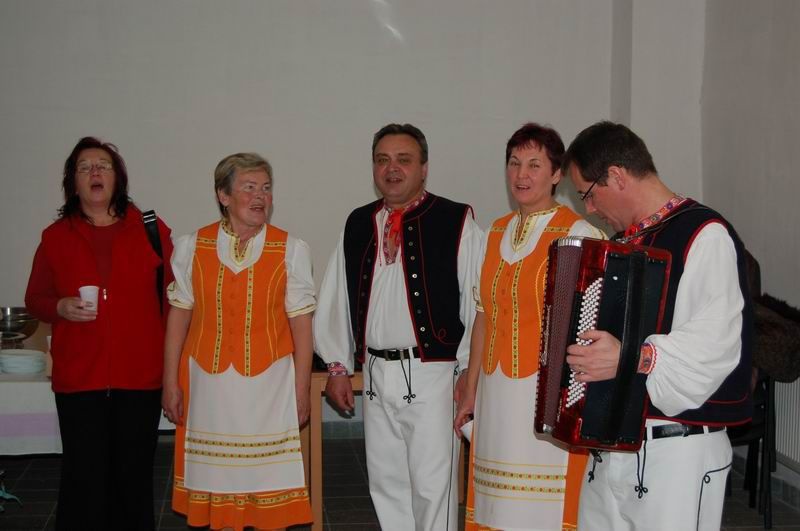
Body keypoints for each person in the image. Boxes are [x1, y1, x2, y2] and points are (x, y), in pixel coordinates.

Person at [562, 121, 753, 531]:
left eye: (587, 194)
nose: (589, 208)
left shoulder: (704, 234)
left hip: (677, 451)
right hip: (613, 447)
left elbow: (715, 343)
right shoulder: (624, 241)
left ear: (617, 176)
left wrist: (632, 357)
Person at [314, 123, 483, 531]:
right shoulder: (358, 223)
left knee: (432, 485)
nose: (392, 168)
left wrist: (467, 372)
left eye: (403, 160)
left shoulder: (455, 220)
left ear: (424, 168)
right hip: (375, 372)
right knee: (387, 483)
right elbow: (336, 295)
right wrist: (338, 366)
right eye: (382, 160)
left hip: (434, 374)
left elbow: (477, 304)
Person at [453, 123, 604, 531]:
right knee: (495, 504)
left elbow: (590, 324)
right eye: (514, 163)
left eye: (534, 164)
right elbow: (484, 315)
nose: (521, 174)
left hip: (546, 393)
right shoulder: (494, 232)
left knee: (542, 509)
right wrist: (470, 390)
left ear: (557, 174)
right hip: (495, 391)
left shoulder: (578, 234)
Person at [25, 136, 174, 530]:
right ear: (73, 183)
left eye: (103, 166)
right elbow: (35, 298)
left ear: (117, 178)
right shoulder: (55, 237)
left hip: (139, 378)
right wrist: (59, 307)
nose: (95, 172)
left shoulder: (151, 230)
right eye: (84, 167)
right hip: (79, 380)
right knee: (83, 483)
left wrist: (173, 370)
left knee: (133, 481)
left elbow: (175, 302)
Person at [161, 153, 314, 531]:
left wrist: (301, 388)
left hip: (269, 387)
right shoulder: (192, 246)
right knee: (216, 484)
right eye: (249, 187)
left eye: (266, 188)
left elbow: (301, 325)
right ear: (223, 195)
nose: (260, 196)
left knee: (265, 484)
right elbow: (179, 317)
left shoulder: (290, 248)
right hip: (208, 386)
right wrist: (170, 382)